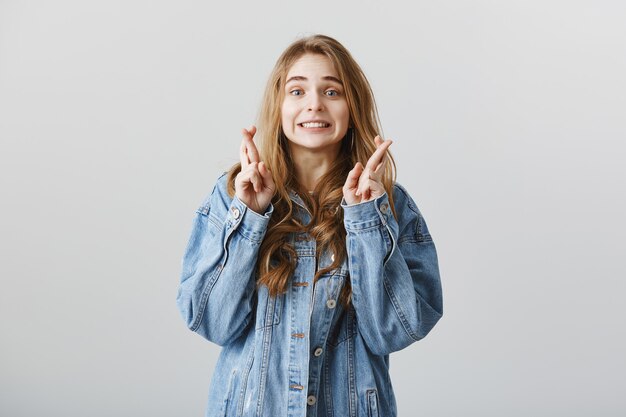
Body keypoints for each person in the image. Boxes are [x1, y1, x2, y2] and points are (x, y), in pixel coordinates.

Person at [176, 34, 443, 417]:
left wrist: (365, 219)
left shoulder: (390, 205)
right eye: (297, 91)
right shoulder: (234, 195)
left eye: (331, 92)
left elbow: (394, 331)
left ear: (352, 106)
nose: (314, 104)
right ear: (279, 107)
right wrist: (249, 217)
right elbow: (212, 322)